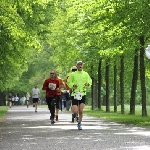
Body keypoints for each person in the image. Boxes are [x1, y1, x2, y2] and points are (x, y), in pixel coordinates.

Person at [67, 61, 92, 130]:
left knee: (80, 110)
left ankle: (79, 123)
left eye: (81, 64)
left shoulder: (85, 74)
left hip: (82, 93)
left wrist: (88, 84)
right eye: (79, 65)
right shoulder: (73, 74)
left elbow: (90, 81)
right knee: (75, 111)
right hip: (75, 93)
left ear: (82, 66)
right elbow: (68, 82)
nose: (80, 66)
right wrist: (73, 85)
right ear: (77, 66)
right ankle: (74, 114)